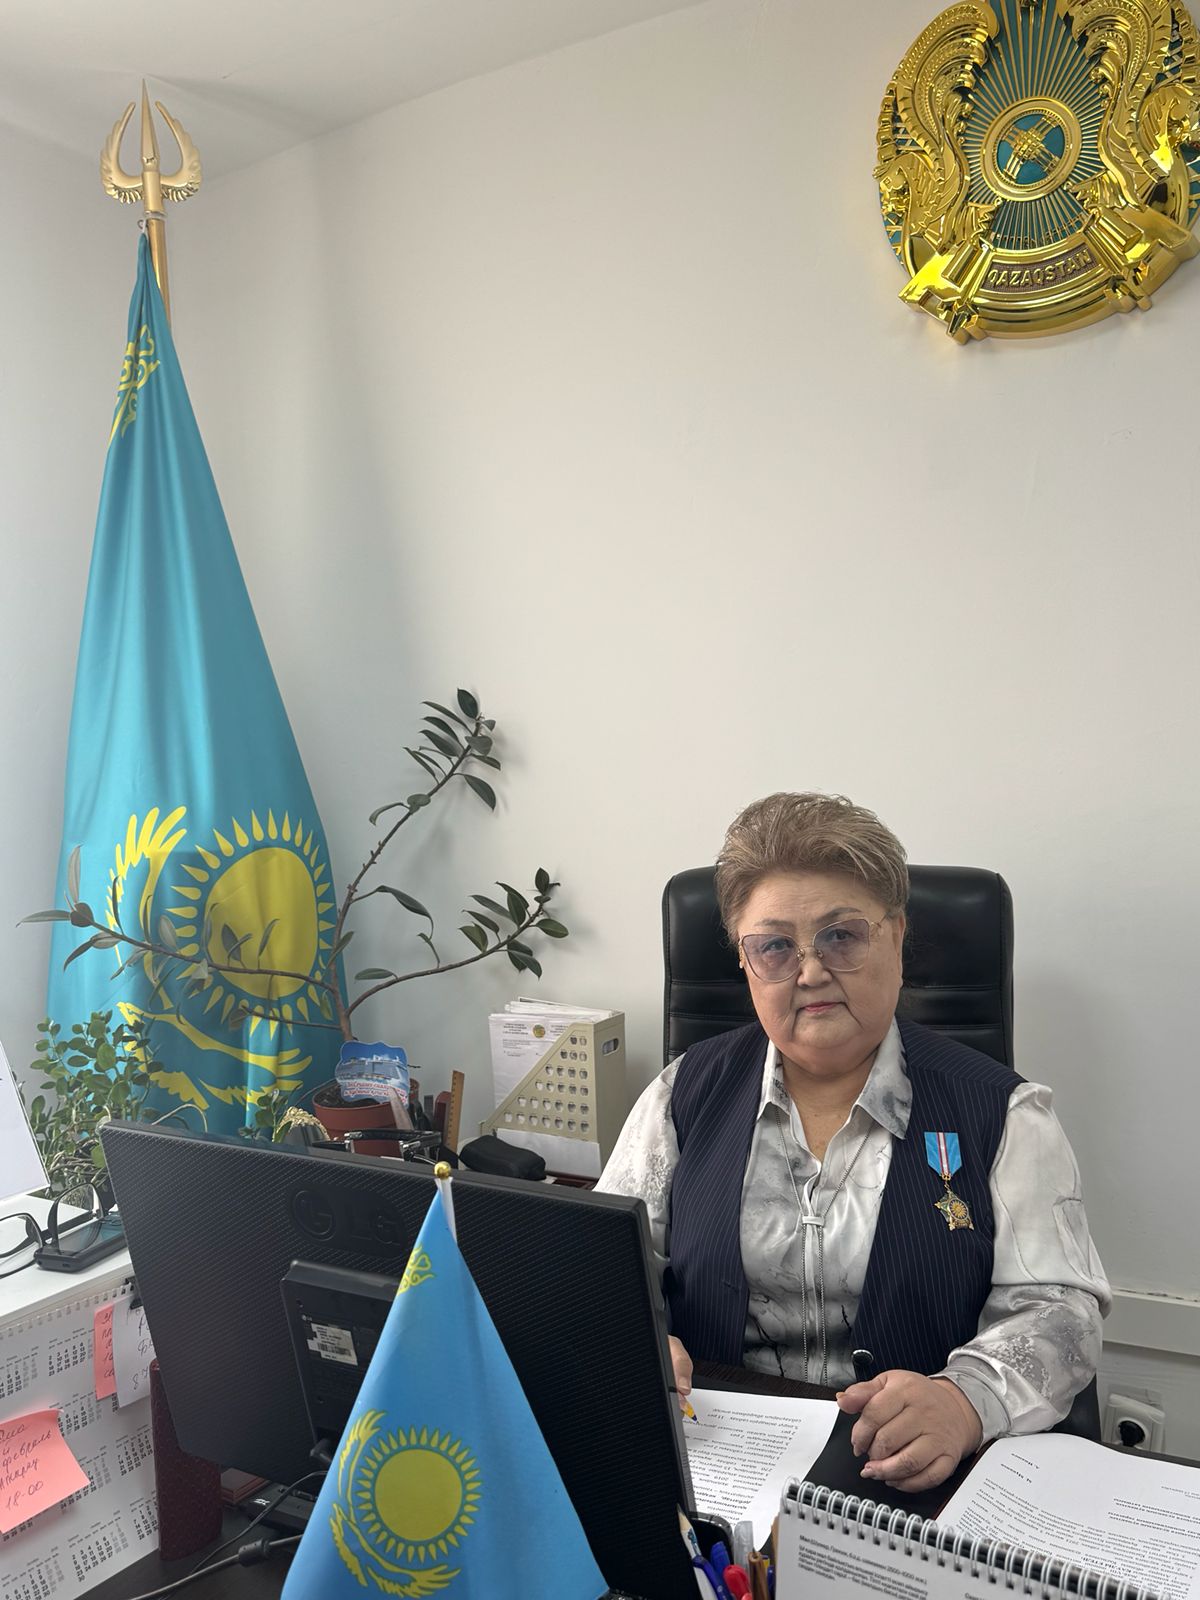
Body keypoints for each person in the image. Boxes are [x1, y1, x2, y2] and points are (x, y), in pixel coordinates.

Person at [597, 793, 1109, 1494]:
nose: (809, 972)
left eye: (841, 936)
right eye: (774, 946)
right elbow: (607, 1274)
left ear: (896, 938)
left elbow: (1060, 1314)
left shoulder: (1005, 1114)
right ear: (745, 961)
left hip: (910, 1476)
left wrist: (965, 1402)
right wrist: (639, 1343)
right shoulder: (681, 1095)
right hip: (716, 1466)